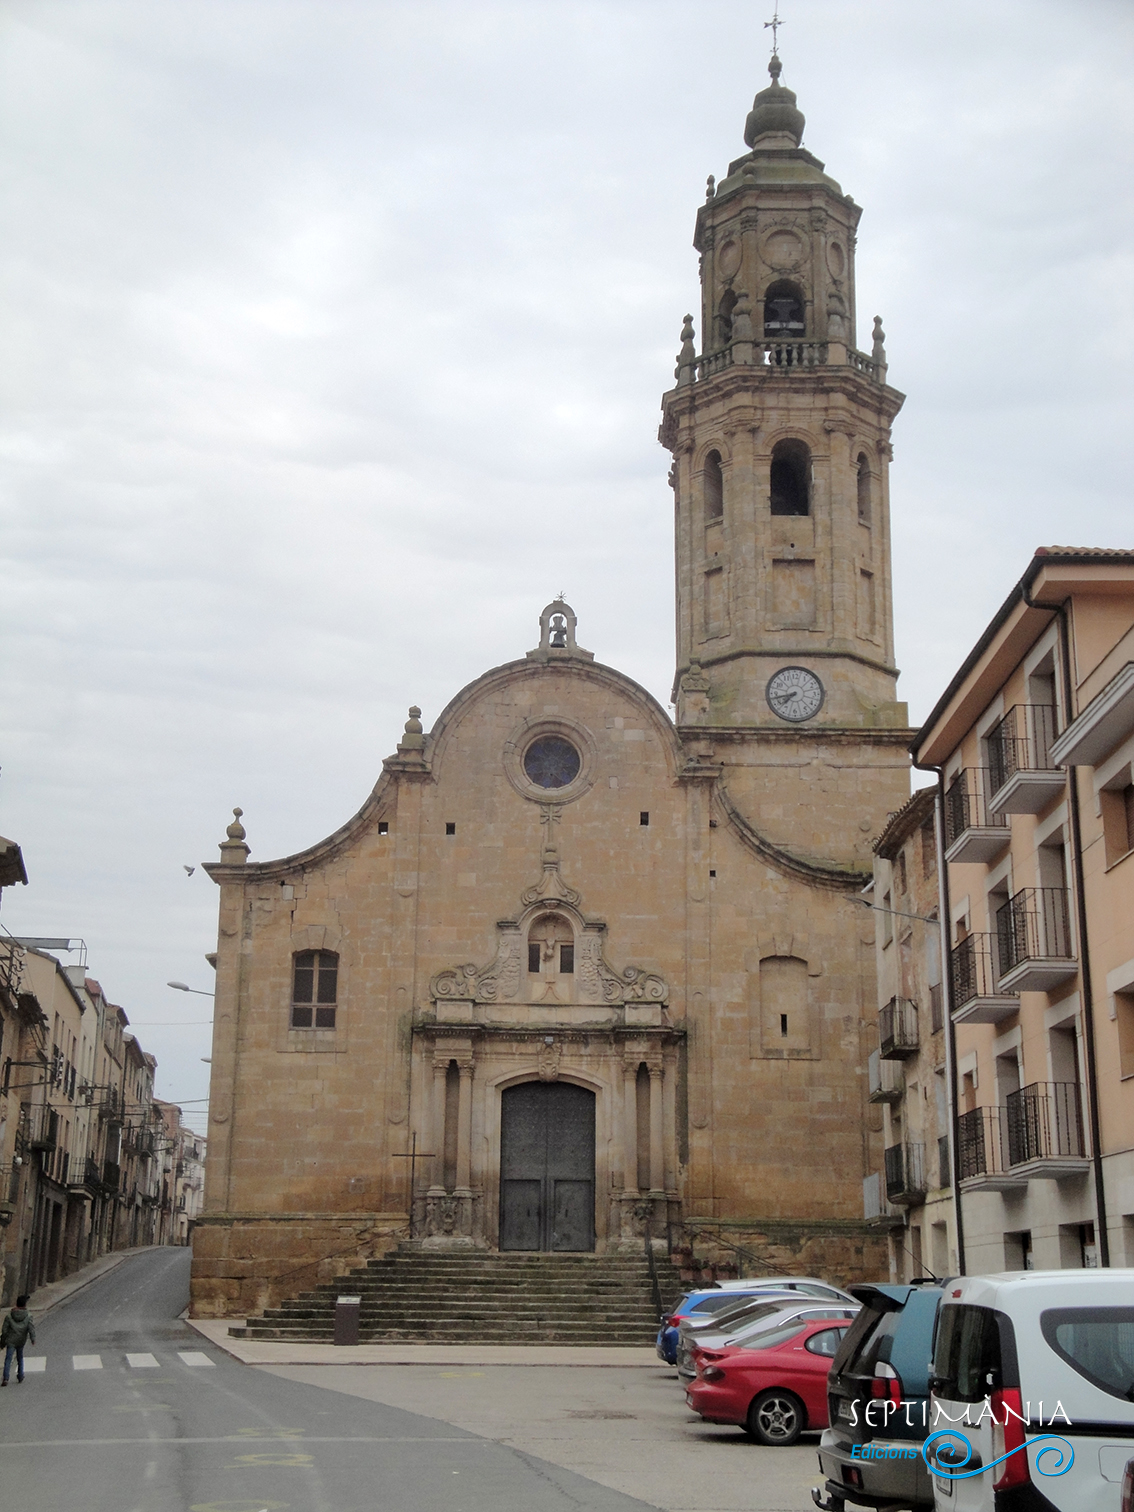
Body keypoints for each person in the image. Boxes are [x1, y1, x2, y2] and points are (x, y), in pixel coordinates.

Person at [1, 1295, 36, 1385]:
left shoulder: (9, 1316)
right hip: (21, 1340)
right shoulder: (28, 1316)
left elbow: (4, 1330)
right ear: (24, 1305)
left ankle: (5, 1378)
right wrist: (33, 1338)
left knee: (8, 1358)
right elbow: (31, 1328)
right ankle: (20, 1375)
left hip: (11, 1340)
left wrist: (2, 1341)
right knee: (20, 1357)